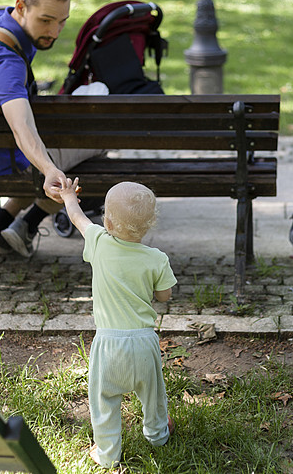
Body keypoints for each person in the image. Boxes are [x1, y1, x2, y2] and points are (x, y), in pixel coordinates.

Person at [0, 0, 104, 257]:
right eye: (46, 20)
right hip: (0, 159)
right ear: (21, 6)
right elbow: (21, 127)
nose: (54, 32)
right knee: (99, 147)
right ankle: (28, 224)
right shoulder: (5, 62)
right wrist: (49, 169)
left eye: (62, 22)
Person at [57, 178, 176, 469]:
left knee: (104, 400)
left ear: (107, 222)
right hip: (144, 344)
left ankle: (107, 453)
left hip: (108, 345)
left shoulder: (98, 242)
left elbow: (76, 217)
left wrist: (68, 196)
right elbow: (164, 296)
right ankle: (158, 433)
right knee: (153, 394)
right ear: (149, 225)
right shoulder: (156, 259)